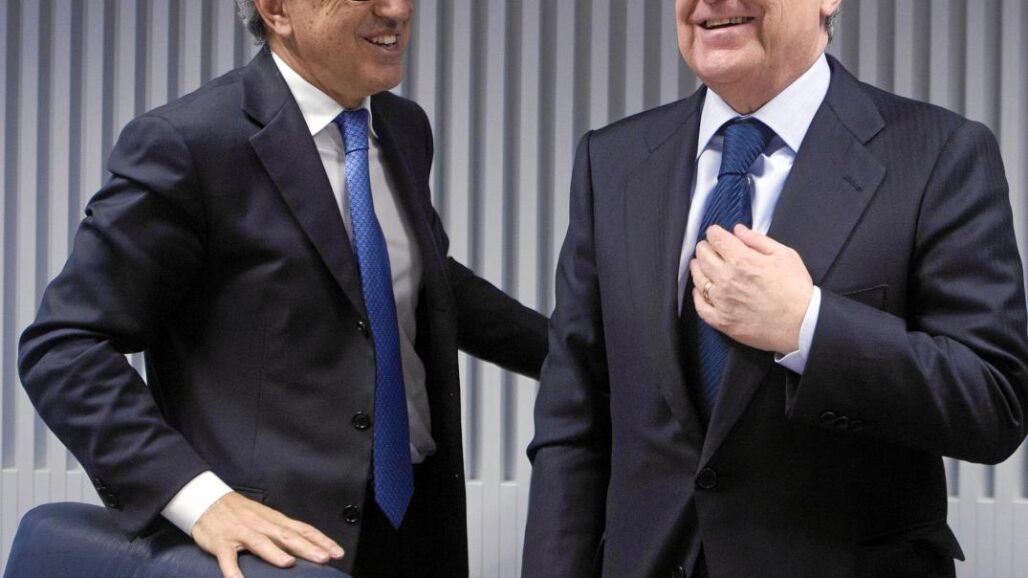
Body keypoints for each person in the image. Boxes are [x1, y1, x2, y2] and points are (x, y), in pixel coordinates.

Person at [18, 1, 547, 577]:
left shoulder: (403, 128)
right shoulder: (191, 142)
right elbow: (64, 347)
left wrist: (581, 356)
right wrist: (198, 499)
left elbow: (424, 281)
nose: (397, 9)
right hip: (276, 545)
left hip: (416, 520)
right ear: (276, 10)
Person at [522, 0, 1028, 576]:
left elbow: (993, 401)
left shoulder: (939, 154)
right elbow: (573, 419)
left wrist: (807, 326)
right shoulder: (611, 160)